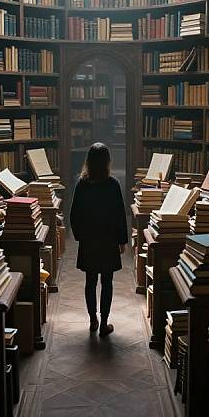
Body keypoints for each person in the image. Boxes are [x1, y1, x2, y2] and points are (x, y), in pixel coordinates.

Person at [70, 142, 128, 337]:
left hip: (89, 240)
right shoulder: (113, 184)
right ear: (107, 162)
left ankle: (92, 320)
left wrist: (80, 236)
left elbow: (74, 214)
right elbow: (120, 214)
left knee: (90, 281)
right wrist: (122, 240)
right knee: (108, 282)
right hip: (108, 239)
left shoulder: (82, 183)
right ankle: (104, 323)